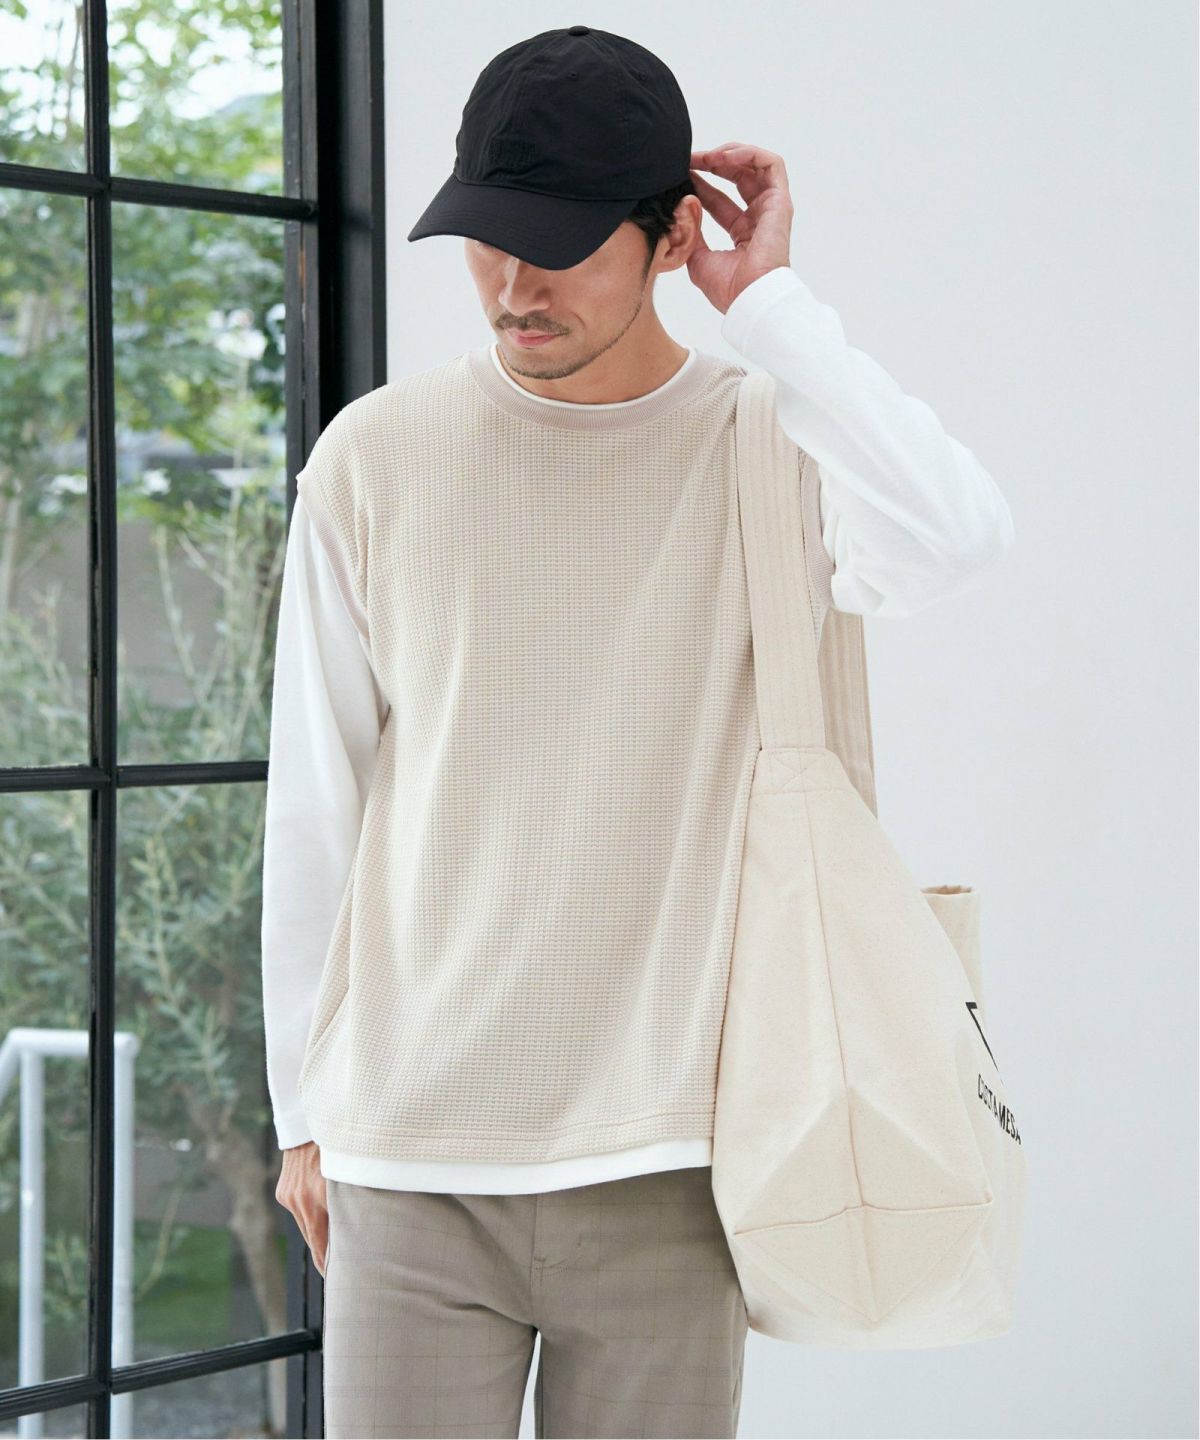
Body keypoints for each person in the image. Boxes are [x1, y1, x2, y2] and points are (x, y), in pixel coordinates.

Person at [261, 25, 1015, 1440]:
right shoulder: (374, 459)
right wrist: (302, 1111)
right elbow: (318, 796)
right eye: (489, 238)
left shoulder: (773, 447)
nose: (514, 285)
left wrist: (771, 306)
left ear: (671, 238)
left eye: (559, 245)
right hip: (410, 1159)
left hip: (676, 1159)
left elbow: (958, 537)